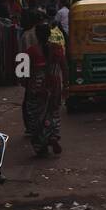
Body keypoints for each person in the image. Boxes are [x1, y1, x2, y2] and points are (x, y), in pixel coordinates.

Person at [21, 11, 66, 156]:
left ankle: (41, 144)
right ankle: (52, 135)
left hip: (37, 87)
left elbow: (21, 75)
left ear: (36, 35)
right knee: (53, 113)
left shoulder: (29, 52)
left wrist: (27, 86)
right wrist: (67, 85)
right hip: (55, 85)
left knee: (36, 116)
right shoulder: (57, 48)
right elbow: (65, 67)